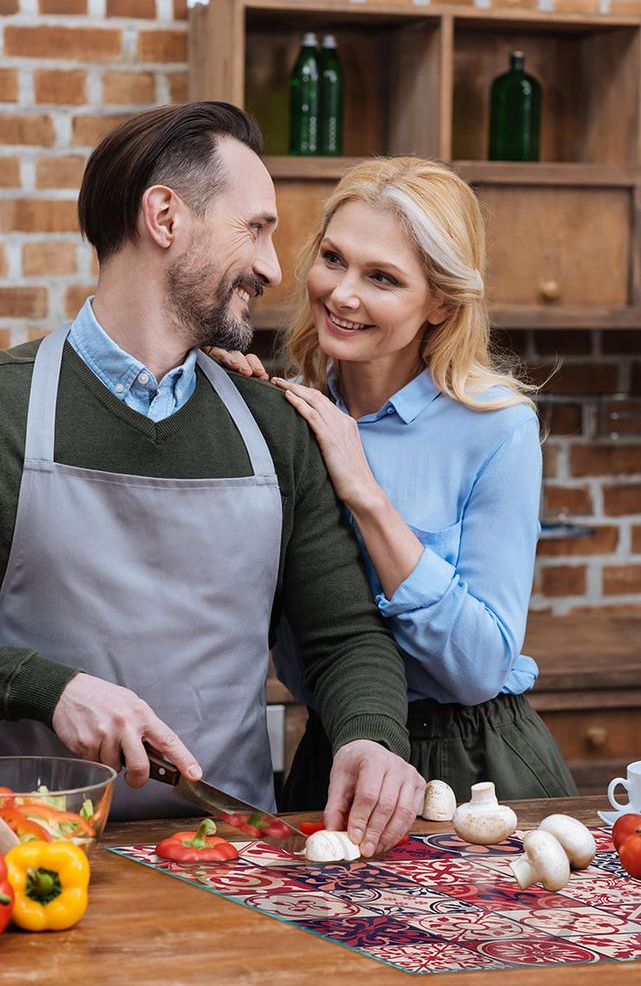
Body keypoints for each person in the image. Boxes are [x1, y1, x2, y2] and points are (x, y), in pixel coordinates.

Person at [0, 104, 426, 855]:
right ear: (165, 217)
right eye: (255, 229)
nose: (274, 269)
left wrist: (369, 735)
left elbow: (342, 636)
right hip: (14, 857)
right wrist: (54, 687)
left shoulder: (273, 428)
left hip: (226, 854)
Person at [212, 155, 577, 809]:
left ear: (439, 302)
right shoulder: (286, 415)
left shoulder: (495, 428)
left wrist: (366, 495)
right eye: (332, 258)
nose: (342, 293)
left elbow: (476, 668)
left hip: (473, 764)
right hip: (333, 752)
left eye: (381, 277)